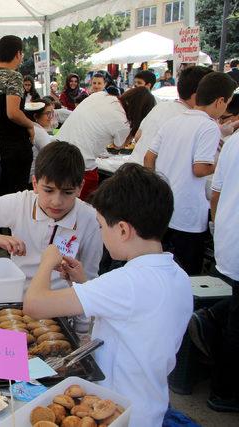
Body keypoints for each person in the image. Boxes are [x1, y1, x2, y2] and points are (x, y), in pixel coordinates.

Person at [24, 163, 191, 427]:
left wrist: (48, 260)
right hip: (149, 404)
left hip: (114, 411)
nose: (101, 234)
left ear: (123, 230)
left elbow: (34, 305)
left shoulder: (126, 282)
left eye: (102, 227)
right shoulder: (177, 275)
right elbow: (132, 314)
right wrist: (85, 283)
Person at [0, 141, 102, 290]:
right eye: (48, 190)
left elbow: (90, 278)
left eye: (67, 192)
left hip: (60, 301)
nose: (56, 202)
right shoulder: (21, 203)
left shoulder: (91, 219)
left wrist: (77, 281)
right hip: (17, 292)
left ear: (80, 188)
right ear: (35, 183)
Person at [145, 72, 237, 275]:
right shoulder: (208, 127)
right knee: (188, 274)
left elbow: (148, 158)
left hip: (163, 209)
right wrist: (222, 163)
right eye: (228, 102)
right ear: (220, 101)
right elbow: (200, 168)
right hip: (188, 216)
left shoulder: (174, 121)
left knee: (162, 270)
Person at [189, 130, 239, 412]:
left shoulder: (233, 142)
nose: (56, 201)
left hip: (229, 238)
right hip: (33, 307)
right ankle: (224, 392)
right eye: (47, 191)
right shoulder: (25, 205)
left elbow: (216, 195)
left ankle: (212, 316)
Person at [57, 87, 156, 200]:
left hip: (55, 151)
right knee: (81, 207)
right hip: (80, 167)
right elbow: (120, 145)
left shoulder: (99, 95)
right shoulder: (123, 122)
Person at [0, 35, 34, 196]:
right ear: (18, 54)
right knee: (16, 196)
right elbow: (12, 112)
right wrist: (30, 125)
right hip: (14, 148)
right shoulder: (14, 76)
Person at [130, 66, 212, 165]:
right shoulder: (195, 121)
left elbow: (138, 136)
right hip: (155, 176)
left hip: (134, 166)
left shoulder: (161, 106)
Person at [24, 99, 54, 184]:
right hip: (33, 181)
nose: (51, 117)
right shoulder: (37, 130)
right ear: (36, 116)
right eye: (48, 113)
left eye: (52, 113)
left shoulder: (32, 127)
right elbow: (53, 156)